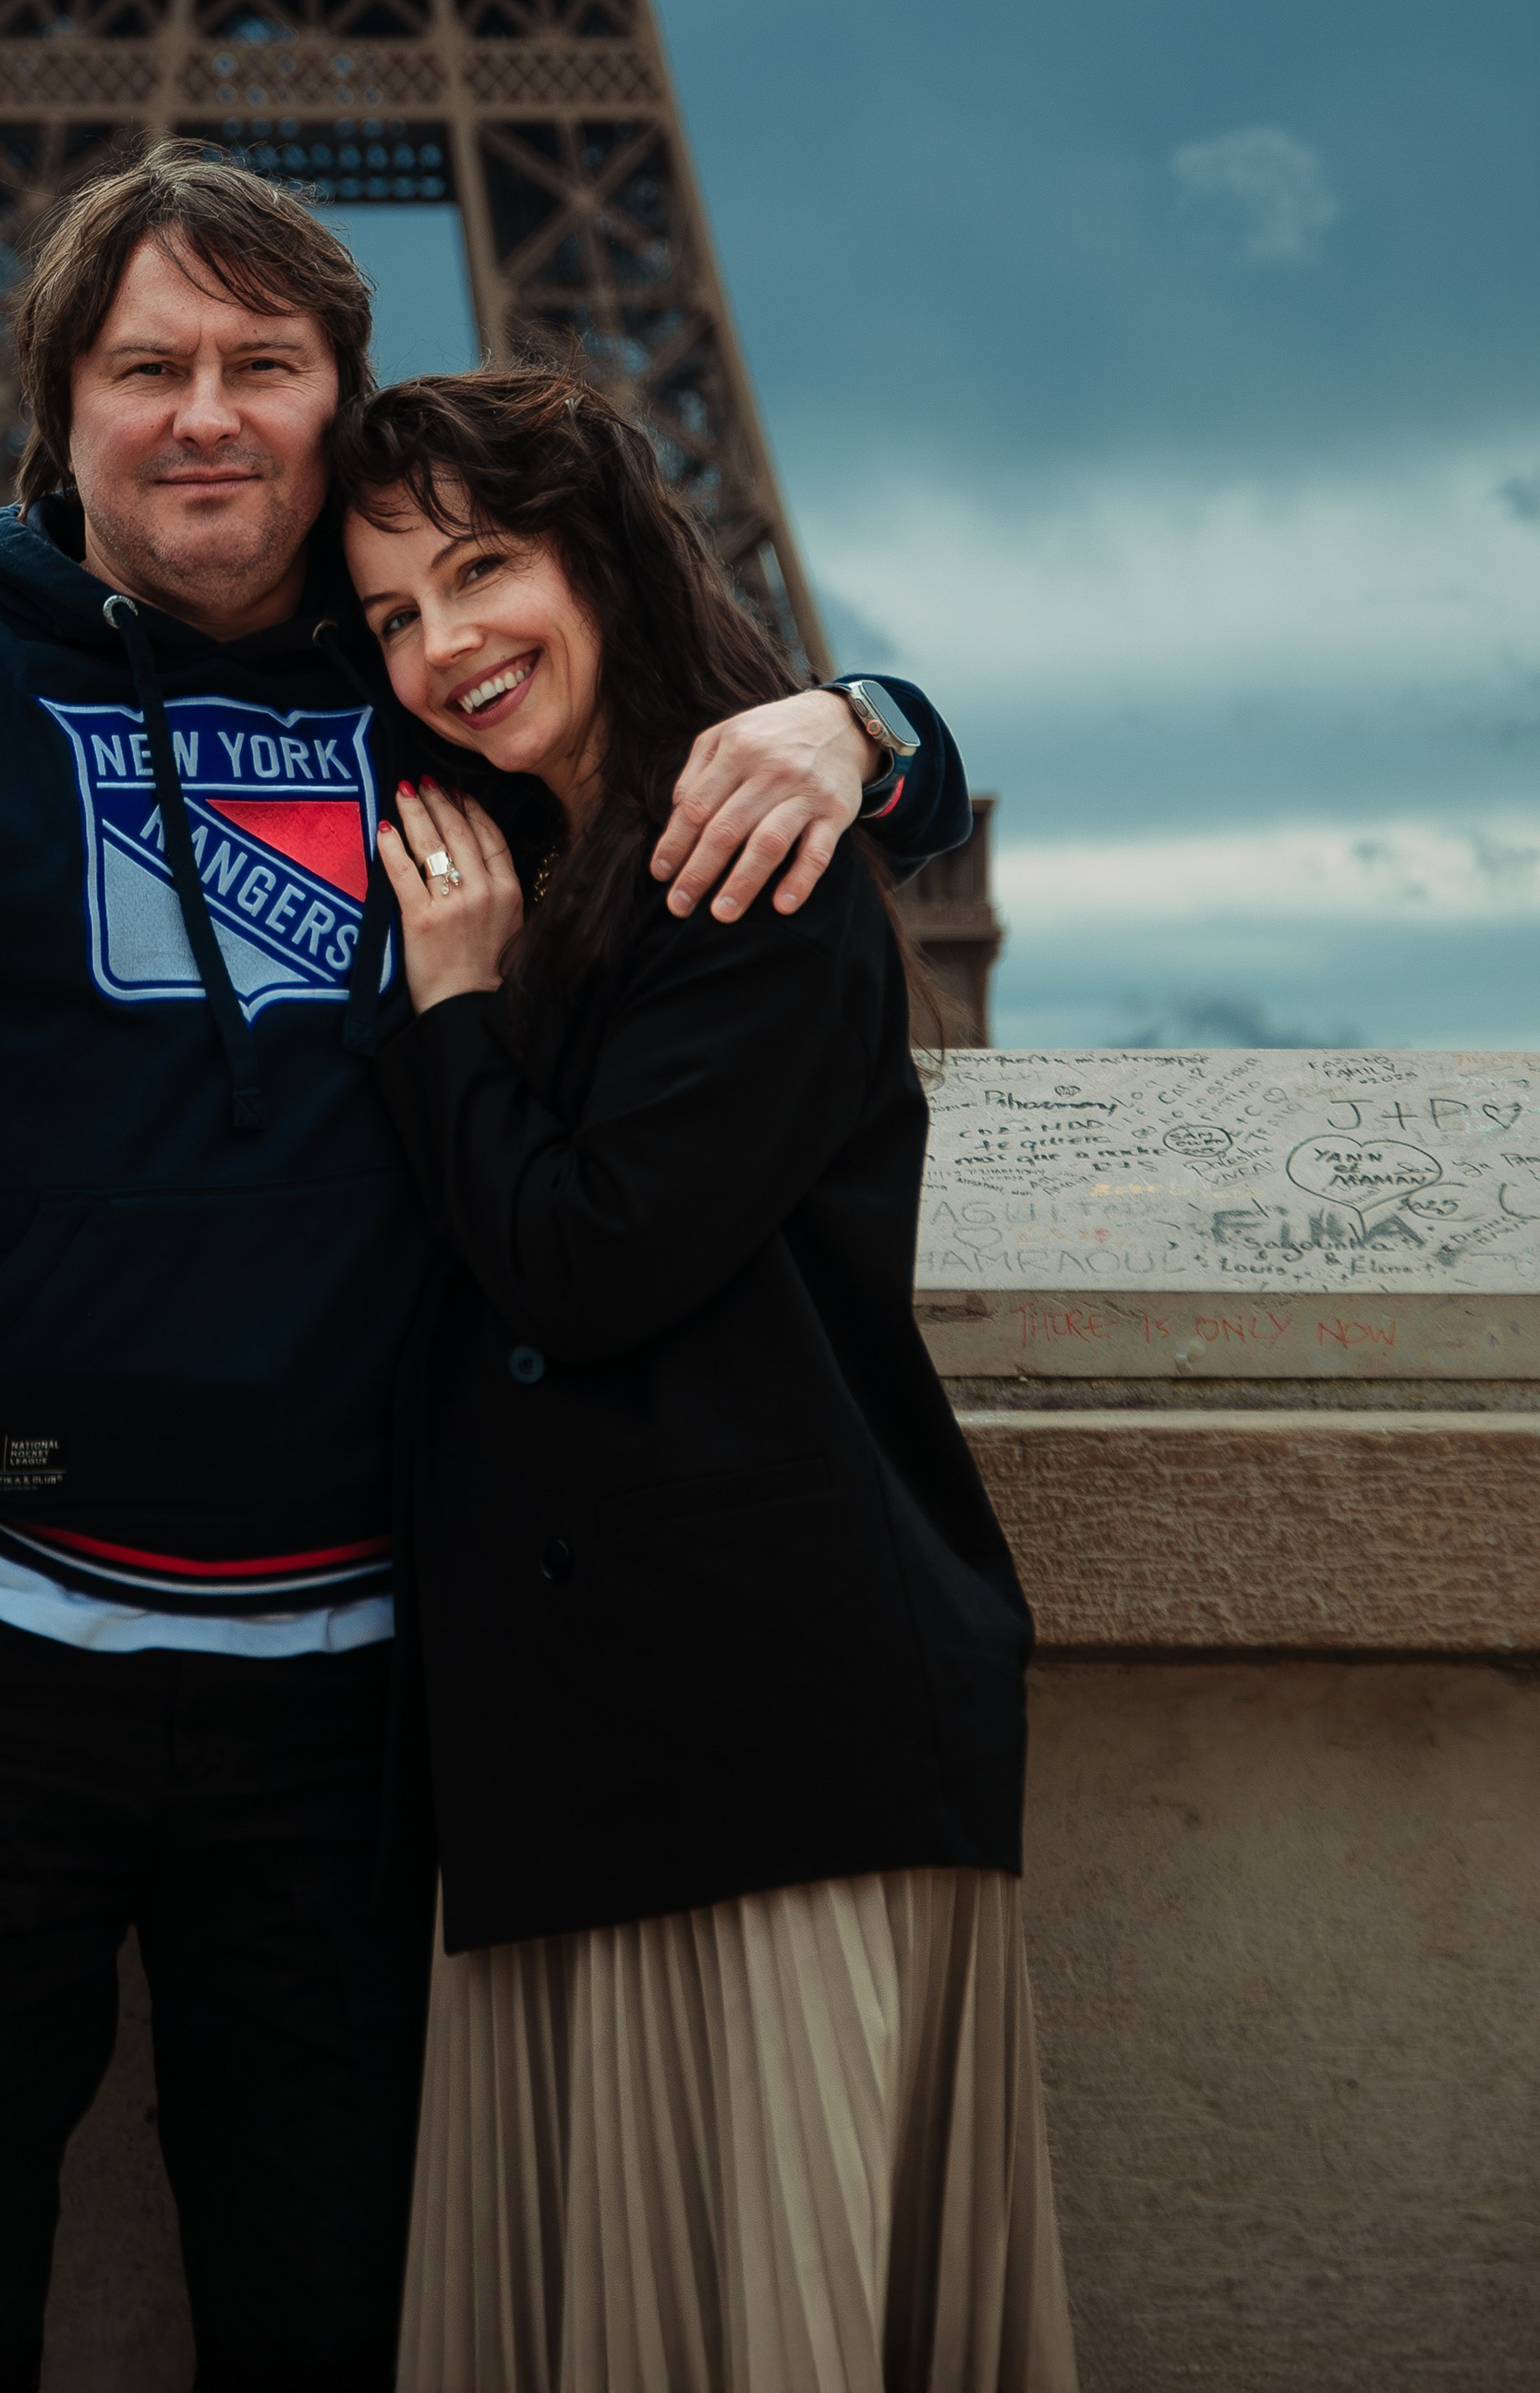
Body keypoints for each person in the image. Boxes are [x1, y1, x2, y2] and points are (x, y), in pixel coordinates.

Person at [0, 146, 979, 2393]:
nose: (203, 412)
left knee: (329, 2320)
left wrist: (871, 726)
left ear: (334, 403)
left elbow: (679, 747)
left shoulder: (430, 698)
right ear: (49, 403)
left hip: (355, 1704)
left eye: (261, 364)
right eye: (144, 363)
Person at [341, 368, 1073, 2393]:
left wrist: (456, 1007)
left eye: (481, 565)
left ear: (601, 552)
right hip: (596, 1749)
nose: (441, 640)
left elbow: (582, 1260)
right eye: (393, 610)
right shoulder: (532, 857)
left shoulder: (728, 867)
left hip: (756, 1739)